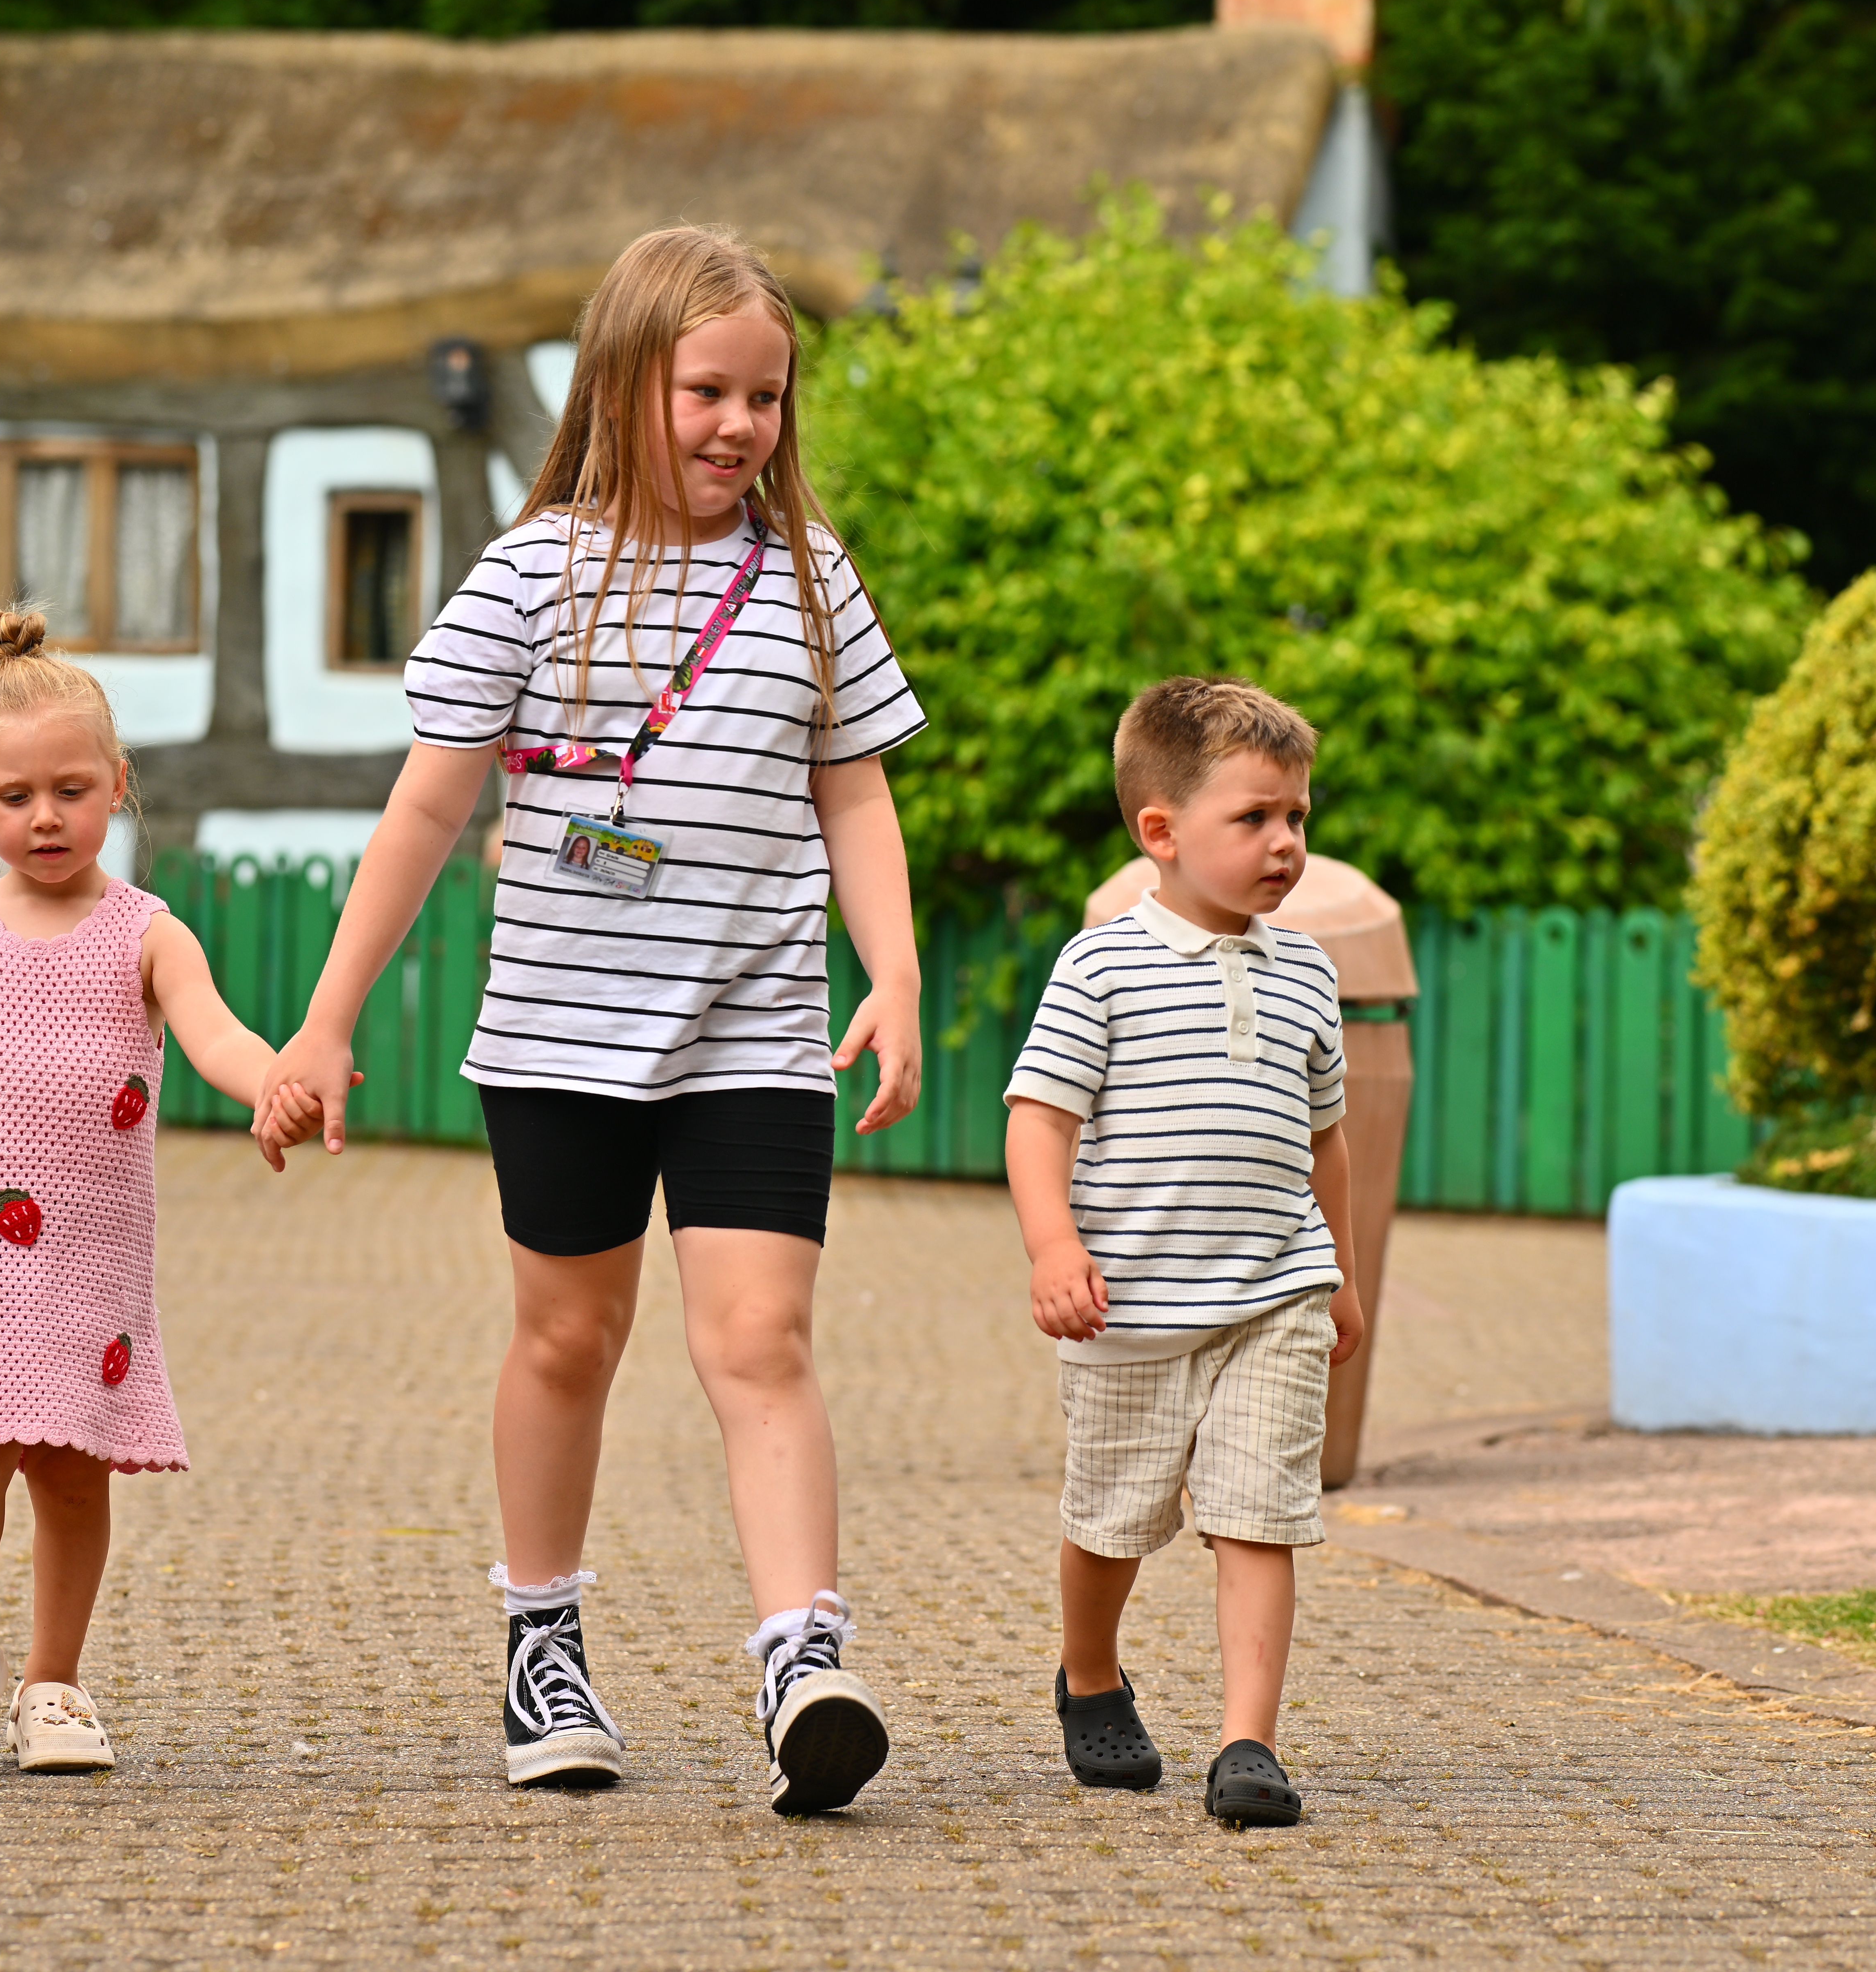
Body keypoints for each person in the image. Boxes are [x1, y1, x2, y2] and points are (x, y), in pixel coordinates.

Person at [258, 224, 927, 1816]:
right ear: (624, 382)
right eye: (708, 389)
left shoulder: (809, 577)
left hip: (755, 1029)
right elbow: (426, 810)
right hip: (560, 1034)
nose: (738, 426)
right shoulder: (529, 573)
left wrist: (891, 969)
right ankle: (542, 1640)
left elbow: (856, 788)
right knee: (571, 1337)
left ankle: (798, 1655)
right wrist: (324, 1020)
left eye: (766, 397)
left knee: (760, 1339)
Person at [0, 607, 322, 1776]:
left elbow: (215, 1035)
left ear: (118, 784)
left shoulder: (149, 933)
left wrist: (275, 1086)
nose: (45, 818)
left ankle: (56, 1681)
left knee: (70, 1462)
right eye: (14, 799)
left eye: (71, 789)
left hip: (88, 1259)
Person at [1001, 678, 1365, 1826]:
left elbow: (1328, 1142)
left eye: (1298, 818)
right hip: (1134, 1310)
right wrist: (1053, 1247)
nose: (1286, 843)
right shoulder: (1099, 967)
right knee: (1112, 1519)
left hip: (1274, 1296)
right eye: (1255, 818)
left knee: (1260, 1514)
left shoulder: (1308, 971)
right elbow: (1039, 1118)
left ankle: (1247, 1742)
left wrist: (1339, 1273)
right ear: (1161, 832)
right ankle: (1092, 1672)